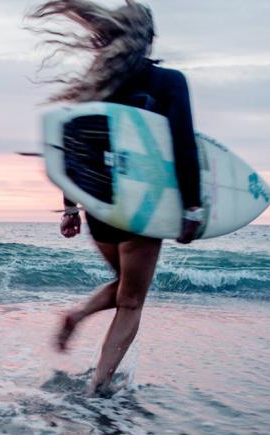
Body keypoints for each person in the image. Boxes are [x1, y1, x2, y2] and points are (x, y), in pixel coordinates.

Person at [28, 0, 203, 395]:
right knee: (132, 300)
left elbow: (73, 148)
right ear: (149, 39)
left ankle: (79, 316)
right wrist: (192, 207)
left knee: (124, 284)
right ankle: (98, 384)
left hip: (100, 206)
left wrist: (71, 206)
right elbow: (183, 146)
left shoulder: (96, 83)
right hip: (145, 203)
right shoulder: (169, 82)